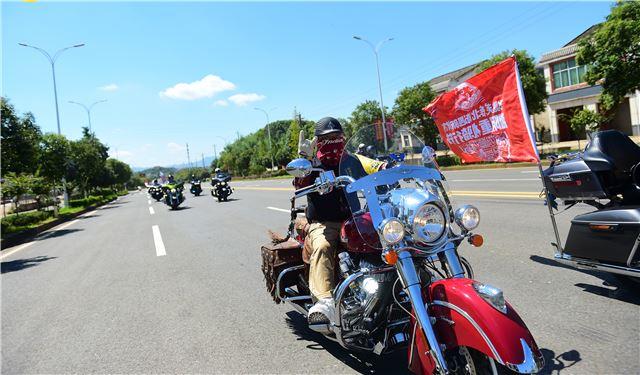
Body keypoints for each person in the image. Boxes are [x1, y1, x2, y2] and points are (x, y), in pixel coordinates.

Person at [295, 117, 385, 326]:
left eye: (337, 137)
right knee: (324, 246)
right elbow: (299, 186)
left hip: (354, 219)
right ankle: (324, 302)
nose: (333, 142)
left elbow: (368, 178)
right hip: (325, 223)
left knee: (385, 238)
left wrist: (385, 179)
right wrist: (305, 161)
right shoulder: (312, 164)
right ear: (318, 141)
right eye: (327, 138)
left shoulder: (351, 160)